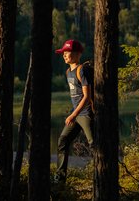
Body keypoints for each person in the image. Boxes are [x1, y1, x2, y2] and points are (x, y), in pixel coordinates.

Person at [53, 39, 94, 183]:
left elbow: (87, 97)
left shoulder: (81, 70)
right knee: (63, 140)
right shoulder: (67, 71)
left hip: (85, 113)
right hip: (75, 114)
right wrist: (73, 114)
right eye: (63, 53)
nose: (64, 55)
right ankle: (60, 177)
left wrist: (73, 114)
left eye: (67, 52)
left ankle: (101, 175)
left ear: (77, 54)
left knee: (94, 143)